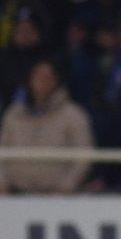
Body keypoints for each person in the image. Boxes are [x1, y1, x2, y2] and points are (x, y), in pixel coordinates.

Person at [0, 58, 93, 194]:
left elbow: (83, 156)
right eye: (37, 75)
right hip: (14, 194)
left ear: (57, 80)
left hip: (56, 196)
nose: (41, 81)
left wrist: (66, 187)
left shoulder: (73, 115)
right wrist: (2, 184)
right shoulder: (14, 114)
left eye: (47, 76)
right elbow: (2, 150)